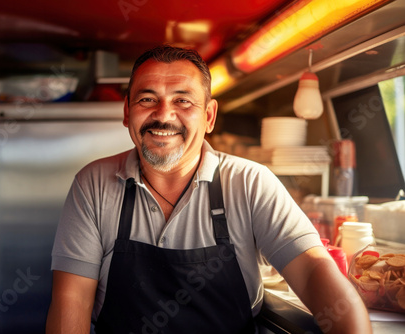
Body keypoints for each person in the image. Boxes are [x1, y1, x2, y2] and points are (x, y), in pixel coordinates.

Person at [46, 45, 371, 334]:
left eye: (182, 101)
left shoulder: (250, 183)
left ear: (209, 116)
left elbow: (313, 269)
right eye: (147, 99)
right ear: (127, 112)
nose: (163, 115)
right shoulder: (93, 184)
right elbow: (70, 301)